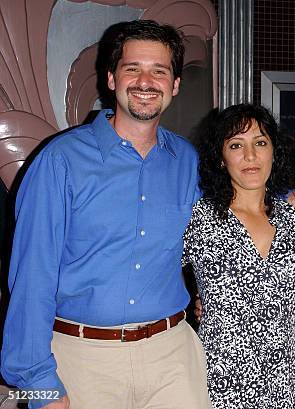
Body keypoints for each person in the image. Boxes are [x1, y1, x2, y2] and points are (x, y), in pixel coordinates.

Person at [0, 20, 213, 409]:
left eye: (159, 71)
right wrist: (39, 384)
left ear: (175, 85)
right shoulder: (59, 161)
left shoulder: (189, 161)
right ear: (112, 79)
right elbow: (32, 277)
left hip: (173, 359)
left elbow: (244, 192)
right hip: (80, 360)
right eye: (133, 68)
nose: (145, 81)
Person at [182, 104, 295, 409]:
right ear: (221, 159)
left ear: (274, 151)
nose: (250, 156)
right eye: (236, 145)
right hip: (218, 384)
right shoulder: (199, 218)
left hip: (287, 385)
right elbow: (154, 277)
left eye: (260, 143)